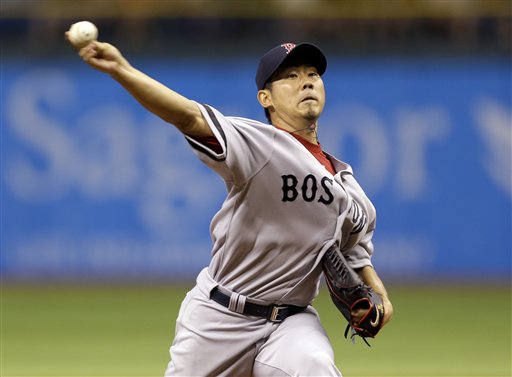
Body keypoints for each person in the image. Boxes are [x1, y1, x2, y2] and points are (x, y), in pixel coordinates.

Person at [67, 35, 393, 376]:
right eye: (291, 77)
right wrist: (122, 70)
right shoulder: (259, 144)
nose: (306, 82)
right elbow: (188, 117)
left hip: (291, 324)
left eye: (312, 74)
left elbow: (357, 257)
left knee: (314, 366)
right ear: (265, 98)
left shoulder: (353, 192)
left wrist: (382, 301)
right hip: (219, 318)